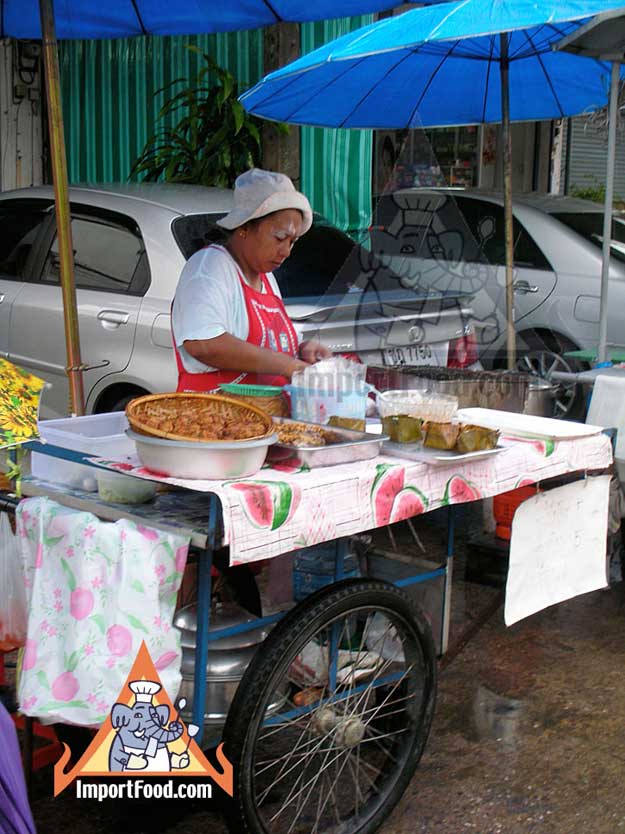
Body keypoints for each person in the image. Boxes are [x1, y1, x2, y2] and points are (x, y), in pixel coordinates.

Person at [171, 167, 331, 393]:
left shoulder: (266, 278)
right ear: (244, 227)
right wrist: (289, 366)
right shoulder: (209, 267)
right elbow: (203, 344)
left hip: (264, 418)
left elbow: (264, 348)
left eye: (292, 242)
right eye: (279, 238)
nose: (286, 251)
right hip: (213, 418)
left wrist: (301, 351)